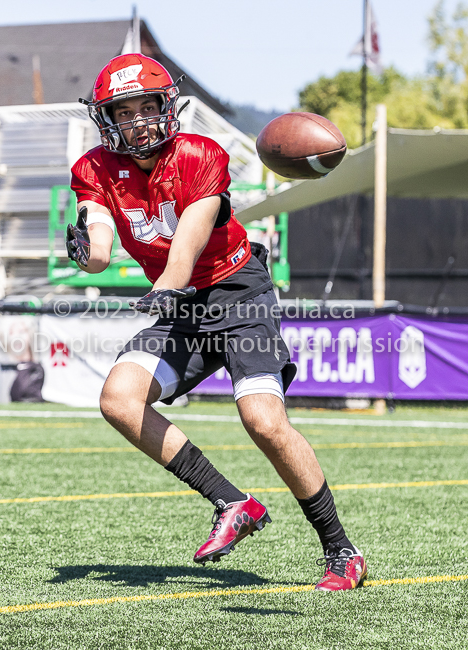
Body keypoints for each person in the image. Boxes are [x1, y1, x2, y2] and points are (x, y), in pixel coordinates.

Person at [66, 53, 367, 591]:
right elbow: (99, 247)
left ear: (167, 106)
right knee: (118, 398)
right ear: (106, 118)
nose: (137, 120)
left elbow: (189, 239)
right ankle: (233, 502)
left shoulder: (199, 154)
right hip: (177, 304)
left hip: (234, 292)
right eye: (124, 110)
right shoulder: (93, 169)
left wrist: (167, 288)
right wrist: (84, 248)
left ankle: (341, 550)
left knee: (263, 421)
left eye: (146, 106)